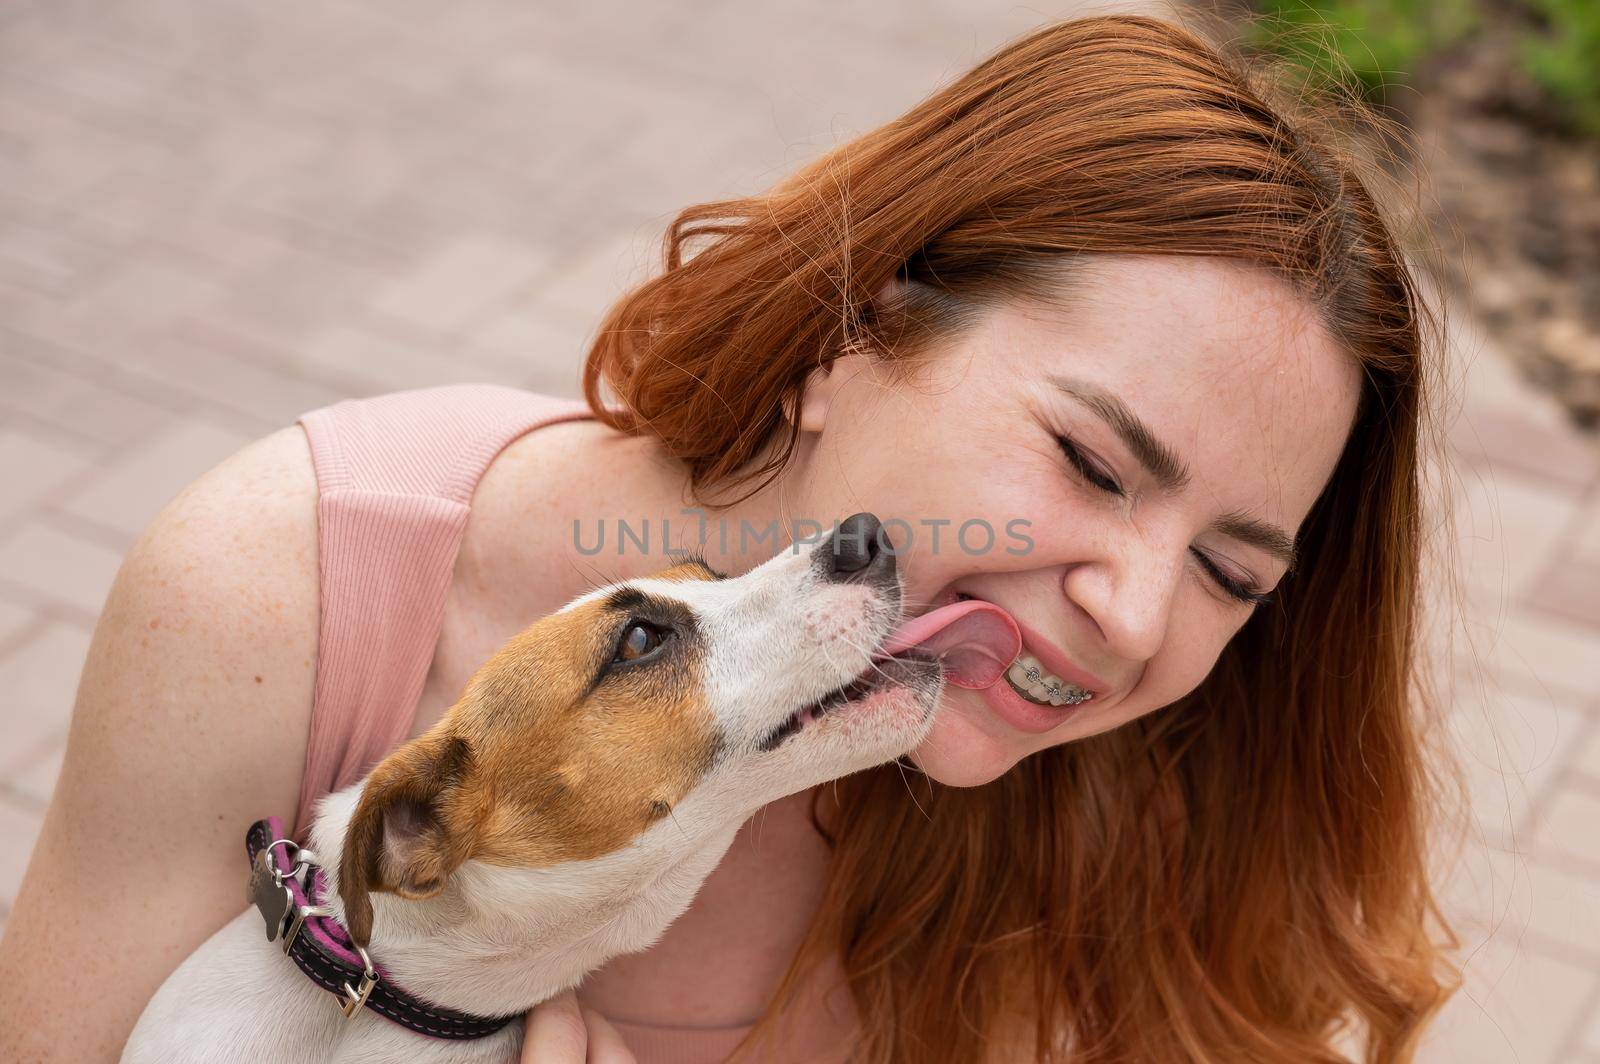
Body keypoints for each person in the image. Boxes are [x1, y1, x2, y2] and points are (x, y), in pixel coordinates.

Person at [0, 12, 1460, 1063]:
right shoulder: (287, 590)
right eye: (1088, 459)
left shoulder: (1147, 780)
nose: (1136, 619)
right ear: (852, 332)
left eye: (1231, 573)